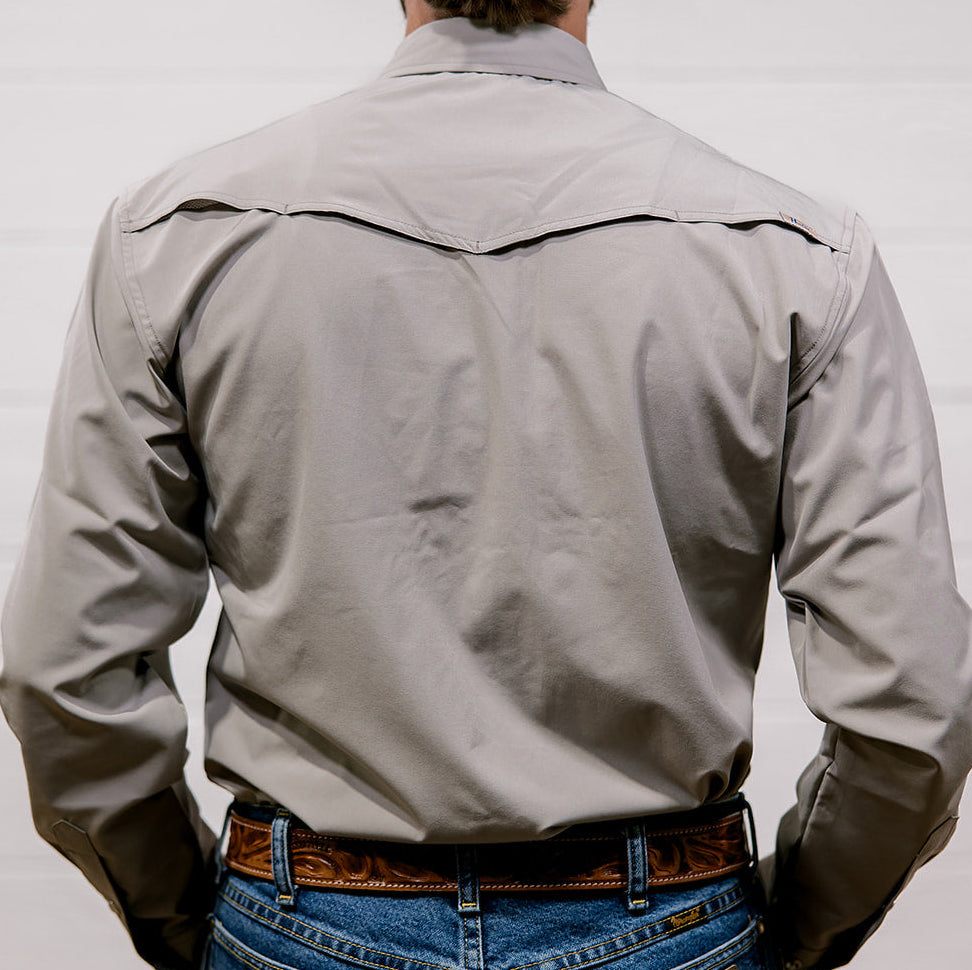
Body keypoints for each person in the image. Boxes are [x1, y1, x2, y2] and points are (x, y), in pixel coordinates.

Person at [1, 1, 970, 968]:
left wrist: (189, 921)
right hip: (672, 921)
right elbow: (912, 703)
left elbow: (67, 672)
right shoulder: (796, 258)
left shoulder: (174, 240)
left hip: (297, 920)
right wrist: (791, 930)